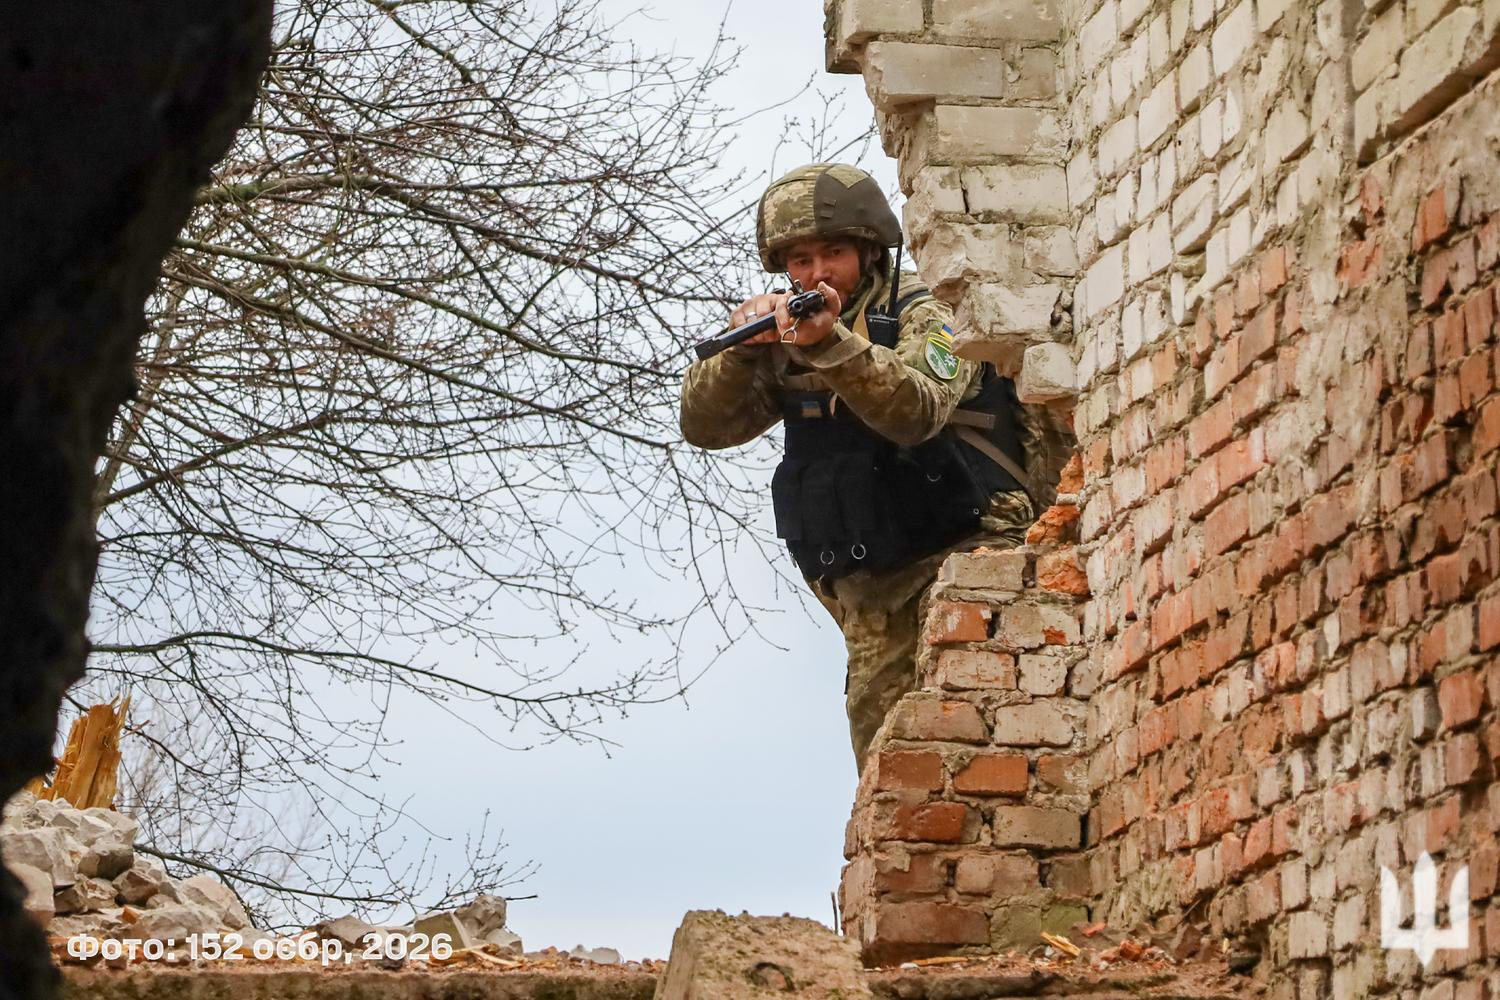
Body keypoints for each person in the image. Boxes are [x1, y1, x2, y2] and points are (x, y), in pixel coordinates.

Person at [680, 162, 1045, 770]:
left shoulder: (923, 312)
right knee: (889, 757)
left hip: (969, 550)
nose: (816, 272)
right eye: (799, 260)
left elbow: (917, 412)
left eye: (833, 252)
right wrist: (742, 354)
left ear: (869, 249)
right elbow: (706, 427)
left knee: (986, 715)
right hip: (871, 574)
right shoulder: (788, 333)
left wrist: (832, 345)